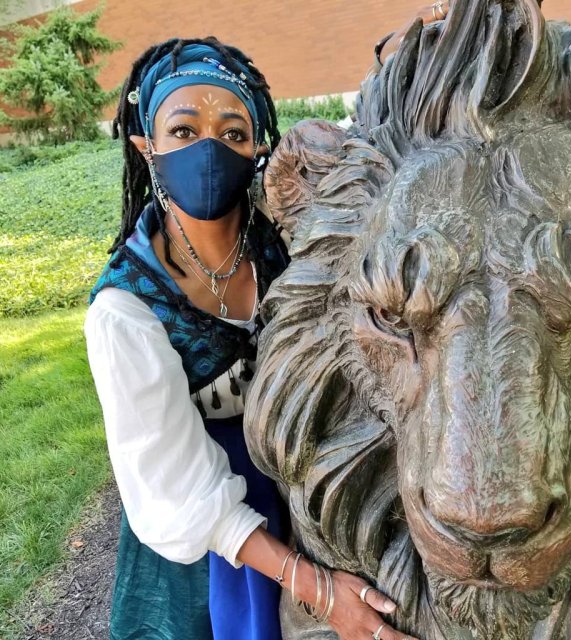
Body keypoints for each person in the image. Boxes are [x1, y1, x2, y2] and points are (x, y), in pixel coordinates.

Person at [85, 37, 419, 640]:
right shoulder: (126, 310)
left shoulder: (290, 249)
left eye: (233, 132)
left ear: (258, 147)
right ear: (147, 147)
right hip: (219, 546)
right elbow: (177, 492)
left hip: (316, 489)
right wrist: (315, 586)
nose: (209, 147)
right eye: (184, 131)